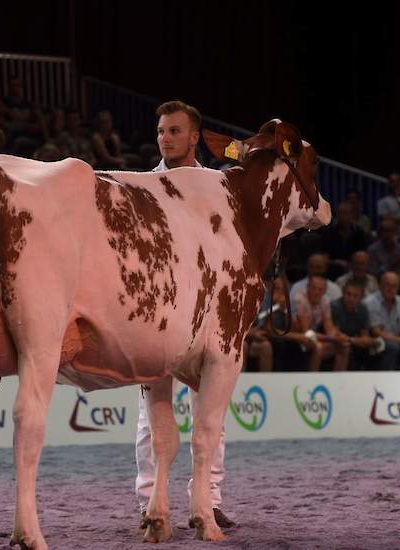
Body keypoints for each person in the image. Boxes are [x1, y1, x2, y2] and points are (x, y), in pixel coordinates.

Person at [135, 100, 235, 529]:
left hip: (208, 314)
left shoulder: (219, 185)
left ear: (195, 137)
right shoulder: (141, 186)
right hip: (154, 313)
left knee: (210, 415)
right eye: (161, 131)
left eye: (174, 131)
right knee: (150, 412)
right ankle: (148, 501)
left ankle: (208, 502)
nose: (165, 137)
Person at [363, 271, 400, 369]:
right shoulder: (370, 302)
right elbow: (376, 332)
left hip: (397, 340)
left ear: (398, 288)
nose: (390, 289)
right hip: (376, 343)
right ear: (380, 285)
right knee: (393, 347)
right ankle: (386, 379)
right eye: (387, 285)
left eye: (394, 286)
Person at [292, 275, 350, 371]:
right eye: (314, 288)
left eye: (320, 289)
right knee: (318, 348)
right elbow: (306, 331)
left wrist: (338, 336)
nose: (317, 292)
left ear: (325, 291)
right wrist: (333, 338)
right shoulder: (300, 299)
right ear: (308, 287)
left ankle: (338, 382)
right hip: (297, 337)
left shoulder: (325, 300)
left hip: (314, 336)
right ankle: (313, 381)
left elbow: (328, 326)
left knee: (344, 347)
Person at [328, 278, 380, 370]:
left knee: (374, 349)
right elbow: (337, 336)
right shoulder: (334, 307)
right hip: (335, 343)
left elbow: (365, 338)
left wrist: (355, 340)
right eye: (348, 294)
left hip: (354, 343)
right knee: (344, 347)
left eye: (355, 296)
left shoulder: (362, 309)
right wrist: (355, 340)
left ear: (361, 298)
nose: (351, 299)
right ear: (343, 293)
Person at [376, 172, 400, 239]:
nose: (396, 184)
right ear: (389, 184)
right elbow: (386, 219)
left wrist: (398, 198)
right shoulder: (382, 201)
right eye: (393, 181)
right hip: (391, 237)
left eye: (399, 181)